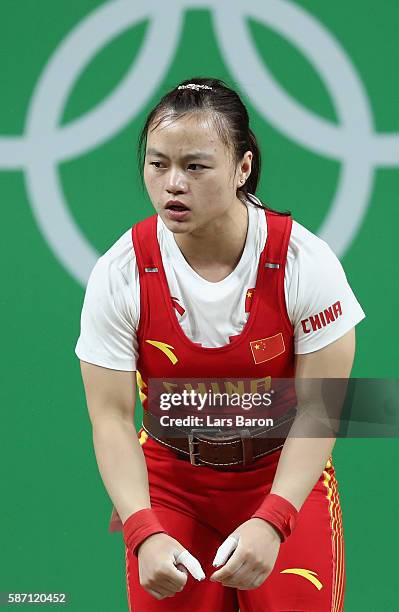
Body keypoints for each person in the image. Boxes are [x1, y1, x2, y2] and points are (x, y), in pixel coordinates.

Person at [75, 77, 366, 611]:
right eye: (157, 163)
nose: (172, 185)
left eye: (195, 166)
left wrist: (276, 518)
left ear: (243, 168)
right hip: (171, 488)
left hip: (279, 477)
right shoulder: (119, 273)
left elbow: (324, 411)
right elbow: (112, 418)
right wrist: (142, 529)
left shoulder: (306, 263)